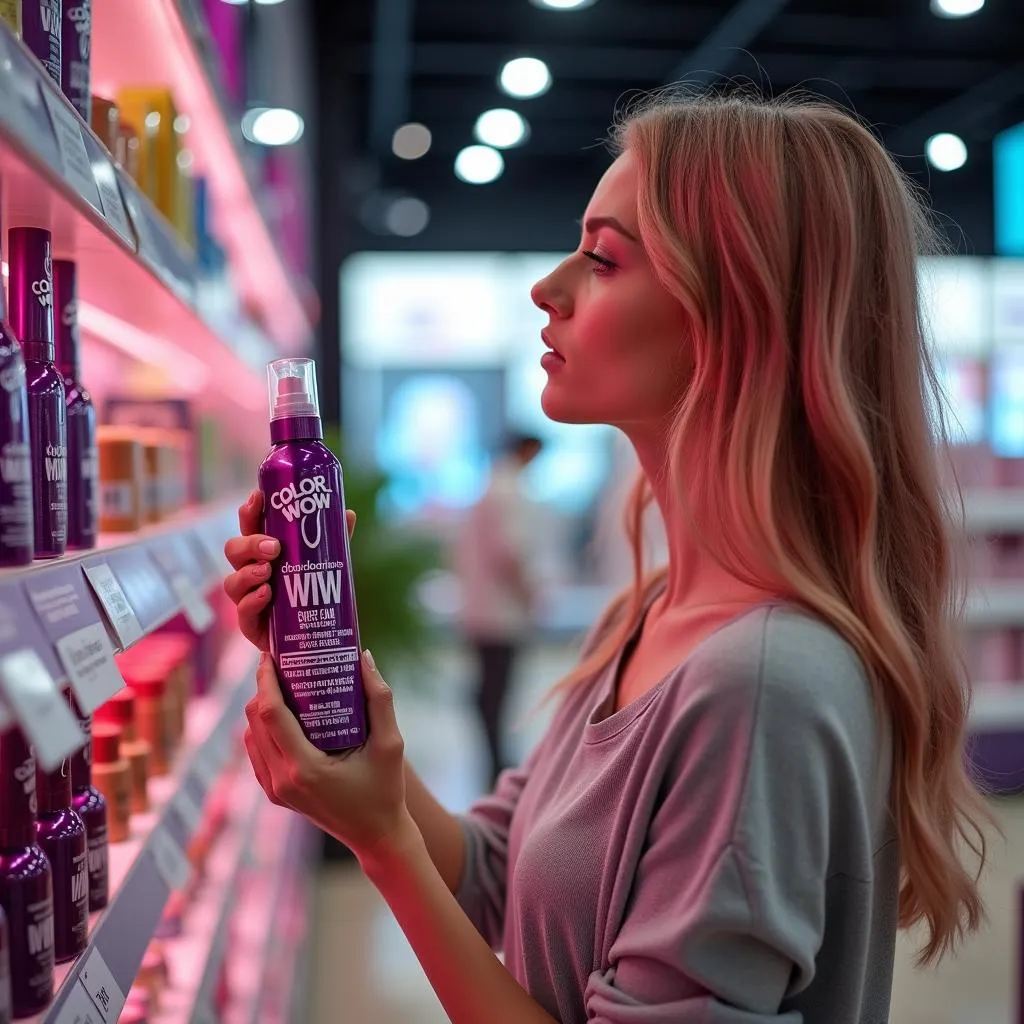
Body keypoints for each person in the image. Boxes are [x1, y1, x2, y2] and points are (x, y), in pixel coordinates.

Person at [222, 92, 990, 1023]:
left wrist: (381, 843)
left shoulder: (758, 683)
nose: (547, 288)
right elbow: (498, 877)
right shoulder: (656, 610)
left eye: (602, 257)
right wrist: (323, 672)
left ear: (731, 319)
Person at [454, 431, 543, 785]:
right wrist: (529, 594)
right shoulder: (508, 490)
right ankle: (496, 763)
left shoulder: (489, 487)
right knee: (497, 691)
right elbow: (510, 553)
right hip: (502, 613)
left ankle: (493, 759)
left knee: (490, 690)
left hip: (482, 608)